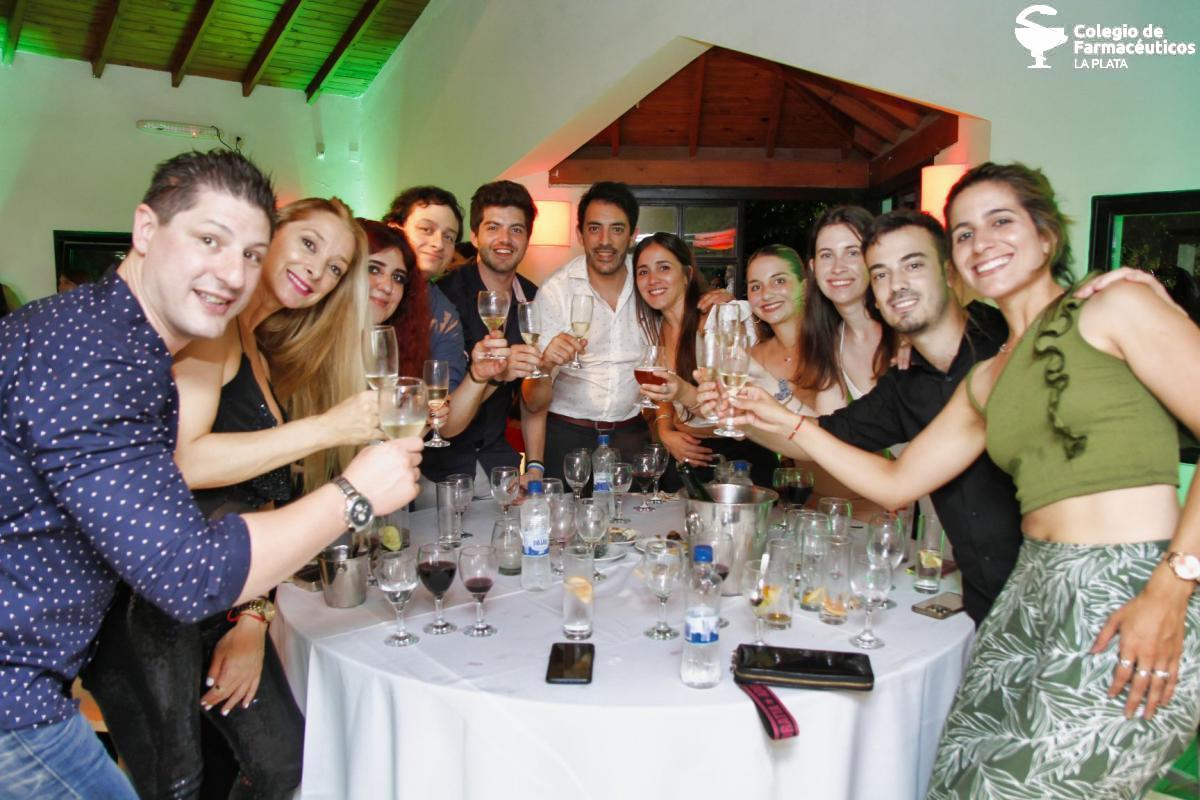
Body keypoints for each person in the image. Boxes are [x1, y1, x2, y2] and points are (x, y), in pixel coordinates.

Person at [728, 163, 1200, 798]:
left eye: (1001, 222)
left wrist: (1172, 587)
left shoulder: (1114, 306)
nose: (982, 243)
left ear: (1046, 236)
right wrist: (779, 417)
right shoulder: (989, 377)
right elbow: (897, 483)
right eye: (965, 234)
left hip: (1129, 583)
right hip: (1027, 591)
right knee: (954, 778)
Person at [0, 150, 422, 800]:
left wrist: (253, 615)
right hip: (25, 695)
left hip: (47, 676)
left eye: (249, 253)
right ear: (146, 229)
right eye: (210, 240)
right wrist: (355, 493)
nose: (232, 273)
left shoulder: (123, 340)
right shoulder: (95, 356)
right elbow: (188, 566)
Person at [80, 196, 377, 799]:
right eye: (309, 244)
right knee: (180, 784)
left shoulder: (258, 347)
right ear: (270, 233)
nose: (318, 271)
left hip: (223, 595)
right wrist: (328, 428)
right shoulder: (213, 334)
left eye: (335, 268)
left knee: (284, 769)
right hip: (154, 606)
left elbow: (260, 498)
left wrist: (253, 619)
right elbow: (182, 461)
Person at [524, 181, 650, 482]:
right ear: (580, 234)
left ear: (632, 234)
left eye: (617, 229)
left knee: (640, 514)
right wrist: (546, 365)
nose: (605, 241)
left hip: (632, 435)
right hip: (567, 437)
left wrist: (715, 300)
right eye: (595, 228)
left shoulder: (648, 283)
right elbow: (532, 399)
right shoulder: (556, 291)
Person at [634, 234, 779, 489]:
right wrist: (666, 432)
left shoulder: (718, 318)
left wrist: (734, 309)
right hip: (686, 451)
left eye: (664, 268)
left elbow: (735, 400)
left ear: (687, 274)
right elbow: (663, 389)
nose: (652, 279)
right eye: (643, 272)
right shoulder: (655, 328)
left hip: (738, 456)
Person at [429, 181, 544, 491]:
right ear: (475, 236)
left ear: (527, 239)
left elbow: (533, 399)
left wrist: (535, 465)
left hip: (499, 464)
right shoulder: (444, 298)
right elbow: (439, 405)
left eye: (516, 230)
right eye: (493, 227)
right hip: (438, 470)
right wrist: (498, 374)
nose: (505, 239)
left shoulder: (533, 299)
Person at [799, 205, 896, 410]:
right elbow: (830, 424)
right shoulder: (833, 341)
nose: (838, 267)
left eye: (852, 253)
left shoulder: (904, 333)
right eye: (827, 255)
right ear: (813, 268)